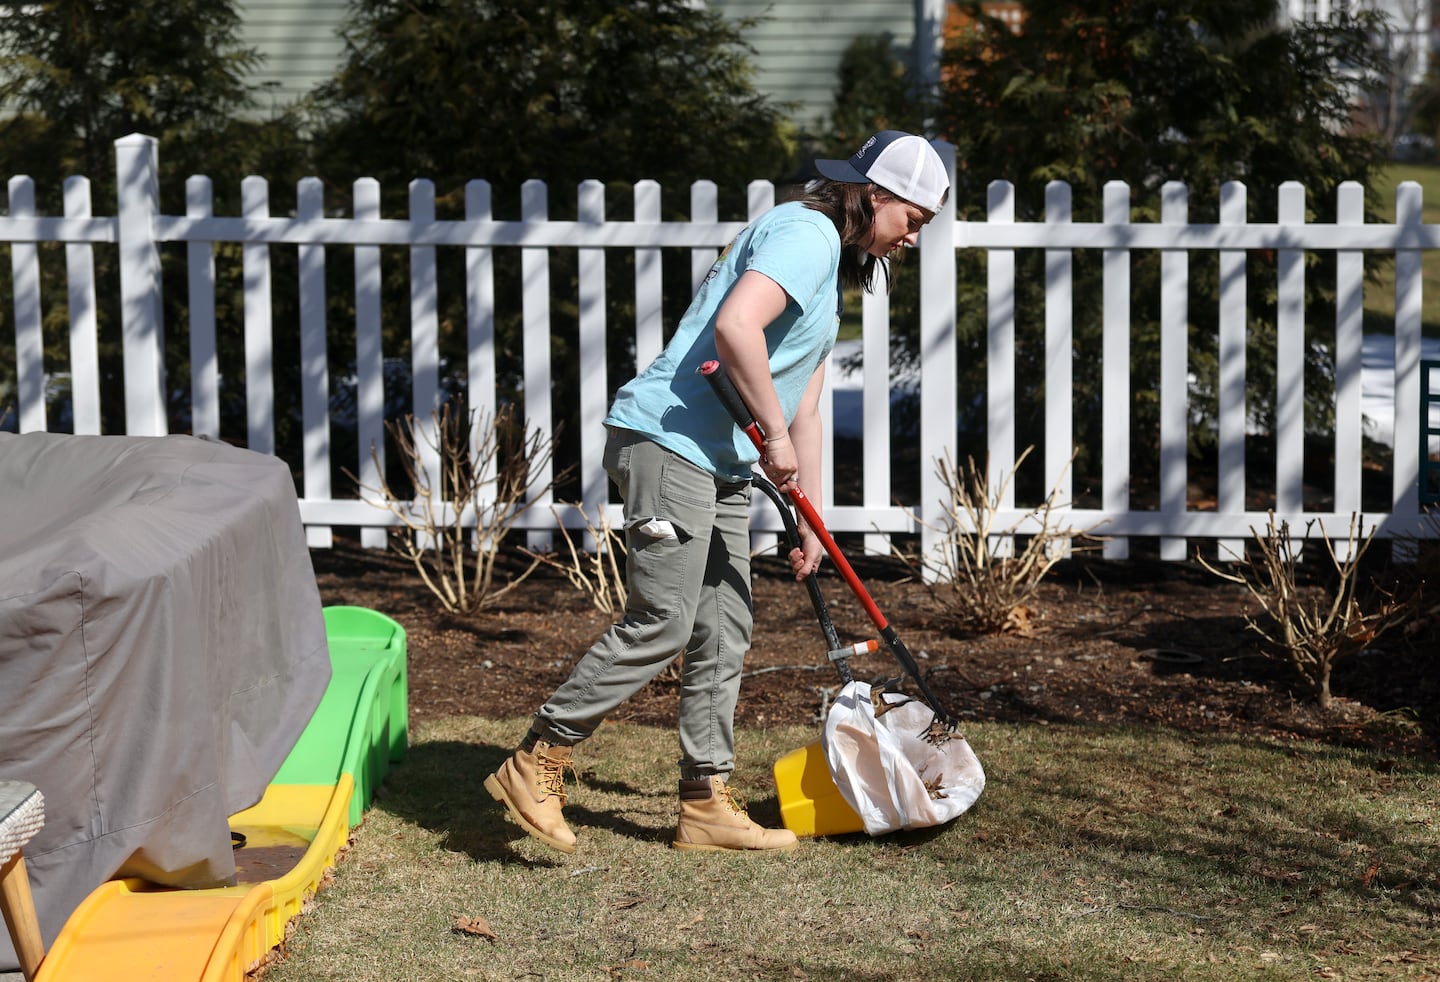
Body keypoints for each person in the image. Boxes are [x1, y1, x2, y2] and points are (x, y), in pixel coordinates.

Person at [485, 130, 950, 854]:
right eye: (914, 219)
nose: (914, 238)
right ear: (878, 195)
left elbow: (804, 404)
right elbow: (736, 329)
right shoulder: (807, 232)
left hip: (722, 461)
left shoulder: (829, 272)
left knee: (724, 627)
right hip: (669, 445)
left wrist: (808, 512)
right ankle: (536, 757)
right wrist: (776, 438)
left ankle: (705, 803)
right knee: (664, 619)